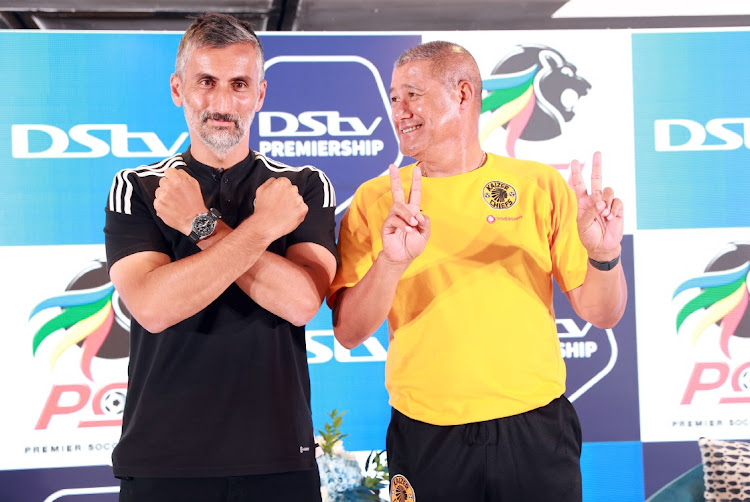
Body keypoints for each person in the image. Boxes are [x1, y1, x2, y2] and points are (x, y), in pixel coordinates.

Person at [328, 41, 626, 501]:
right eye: (393, 97)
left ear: (463, 94)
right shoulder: (375, 199)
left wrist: (605, 255)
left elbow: (602, 313)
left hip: (536, 427)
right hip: (426, 432)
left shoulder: (539, 185)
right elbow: (348, 332)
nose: (398, 110)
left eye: (412, 94)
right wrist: (392, 261)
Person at [104, 13, 337, 502]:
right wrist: (262, 229)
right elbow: (153, 307)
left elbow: (300, 303)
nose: (222, 102)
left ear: (260, 95)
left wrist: (198, 226)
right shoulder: (140, 188)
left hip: (277, 457)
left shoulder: (303, 187)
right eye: (206, 82)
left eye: (239, 84)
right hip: (163, 460)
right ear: (178, 89)